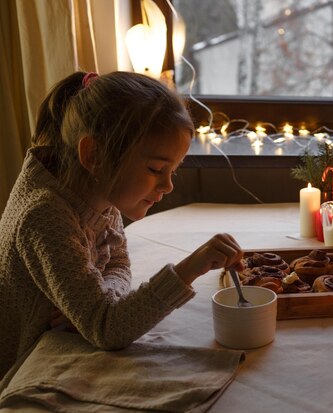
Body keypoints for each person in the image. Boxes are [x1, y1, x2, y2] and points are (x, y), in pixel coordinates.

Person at [0, 71, 244, 378]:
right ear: (94, 155)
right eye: (156, 168)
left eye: (173, 171)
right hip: (26, 369)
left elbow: (116, 261)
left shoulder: (96, 189)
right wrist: (189, 268)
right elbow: (108, 329)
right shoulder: (45, 216)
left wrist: (105, 296)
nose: (168, 185)